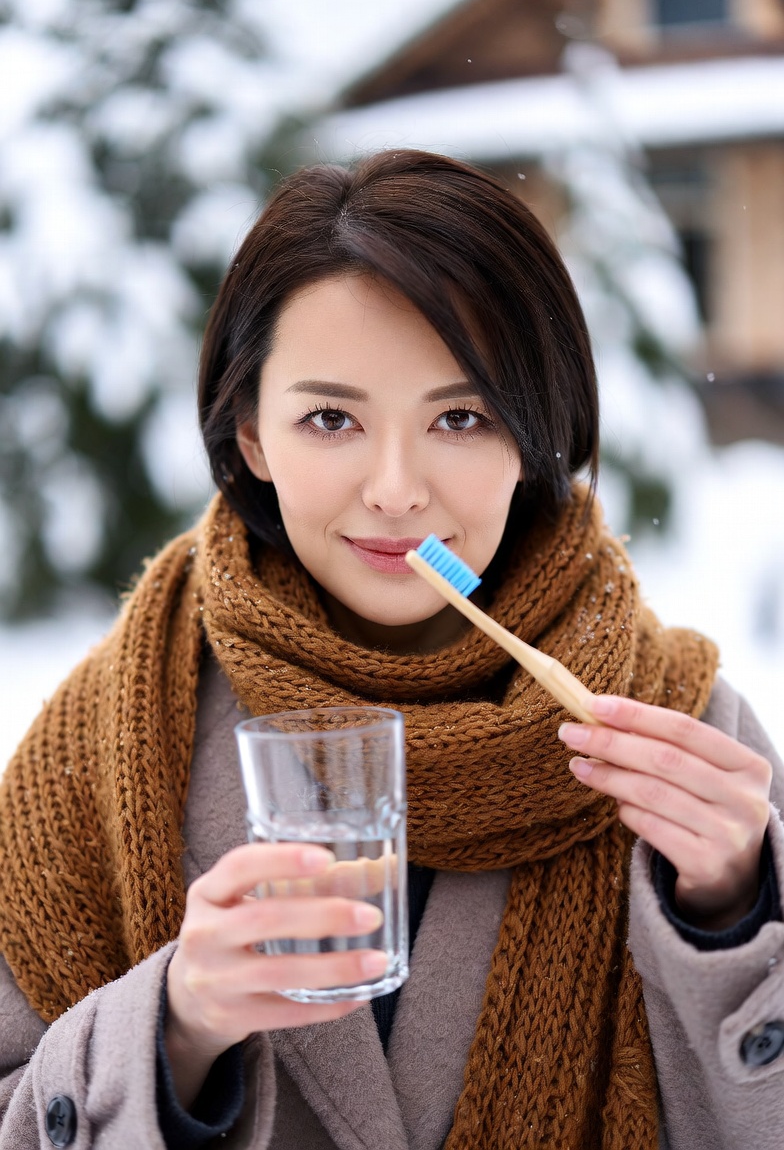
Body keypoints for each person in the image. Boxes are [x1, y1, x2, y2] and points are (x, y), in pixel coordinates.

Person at [0, 149, 782, 1150]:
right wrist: (177, 1025)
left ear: (533, 432)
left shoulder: (682, 732)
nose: (396, 490)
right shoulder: (99, 747)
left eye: (460, 416)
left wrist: (729, 921)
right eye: (331, 418)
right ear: (249, 434)